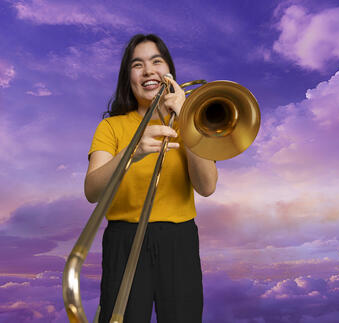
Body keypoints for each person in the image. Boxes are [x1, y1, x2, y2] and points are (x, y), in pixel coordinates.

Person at [84, 34, 218, 323]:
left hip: (179, 239)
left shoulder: (191, 123)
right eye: (137, 65)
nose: (148, 71)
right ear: (128, 78)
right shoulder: (111, 126)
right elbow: (93, 191)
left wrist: (185, 117)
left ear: (169, 71)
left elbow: (207, 186)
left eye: (156, 61)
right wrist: (132, 151)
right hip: (124, 237)